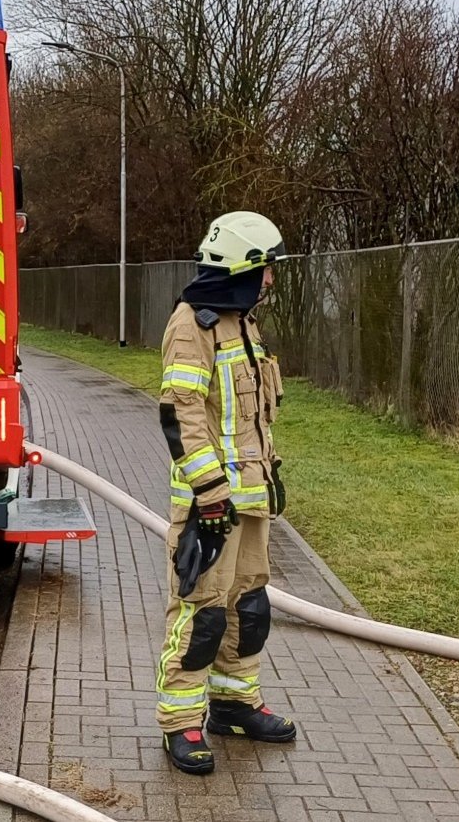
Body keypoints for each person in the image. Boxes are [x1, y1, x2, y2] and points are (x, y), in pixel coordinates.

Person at [153, 210, 294, 775]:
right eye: (266, 269)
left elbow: (250, 417)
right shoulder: (194, 324)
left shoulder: (243, 323)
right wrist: (210, 493)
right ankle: (181, 722)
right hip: (210, 506)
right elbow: (181, 414)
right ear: (242, 267)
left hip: (251, 499)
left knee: (248, 607)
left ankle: (235, 706)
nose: (271, 279)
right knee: (202, 614)